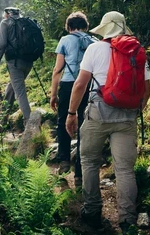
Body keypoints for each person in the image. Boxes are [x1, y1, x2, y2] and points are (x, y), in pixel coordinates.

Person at [66, 11, 150, 231]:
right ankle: (128, 220)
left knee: (89, 161)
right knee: (124, 170)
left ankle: (92, 211)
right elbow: (146, 92)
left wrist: (71, 113)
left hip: (98, 113)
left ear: (104, 29)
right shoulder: (136, 50)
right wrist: (132, 109)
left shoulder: (94, 49)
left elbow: (80, 85)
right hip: (127, 117)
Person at [49, 12, 91, 179]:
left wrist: (53, 94)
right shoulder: (93, 41)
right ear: (86, 27)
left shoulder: (65, 40)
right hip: (87, 85)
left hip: (68, 85)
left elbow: (57, 70)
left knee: (62, 121)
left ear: (69, 27)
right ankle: (80, 172)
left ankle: (64, 161)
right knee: (83, 124)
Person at [0, 7, 32, 122]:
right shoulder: (26, 22)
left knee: (20, 92)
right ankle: (2, 120)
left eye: (4, 14)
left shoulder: (5, 23)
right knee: (12, 87)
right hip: (29, 61)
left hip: (15, 63)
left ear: (8, 14)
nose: (3, 16)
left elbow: (1, 44)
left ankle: (30, 124)